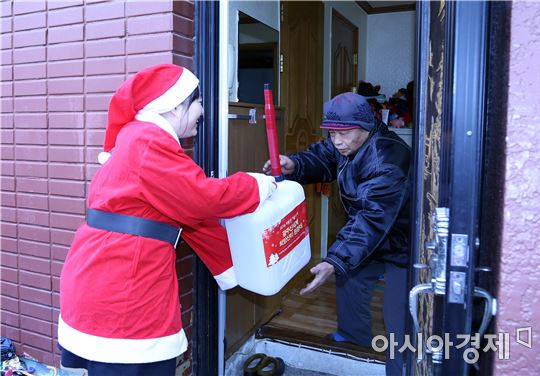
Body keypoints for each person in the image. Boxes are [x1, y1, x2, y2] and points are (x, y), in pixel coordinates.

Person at [58, 64, 276, 376]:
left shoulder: (138, 139)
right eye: (199, 103)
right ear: (175, 106)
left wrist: (232, 269)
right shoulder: (149, 142)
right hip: (123, 292)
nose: (203, 112)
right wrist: (256, 185)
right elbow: (202, 199)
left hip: (101, 281)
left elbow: (189, 216)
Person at [263, 92, 411, 376]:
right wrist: (295, 164)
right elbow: (324, 156)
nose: (337, 141)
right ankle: (355, 334)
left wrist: (334, 259)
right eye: (331, 133)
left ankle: (401, 369)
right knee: (349, 279)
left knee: (398, 320)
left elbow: (371, 217)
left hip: (401, 242)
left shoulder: (388, 159)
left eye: (344, 134)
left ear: (366, 127)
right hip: (369, 235)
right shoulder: (346, 144)